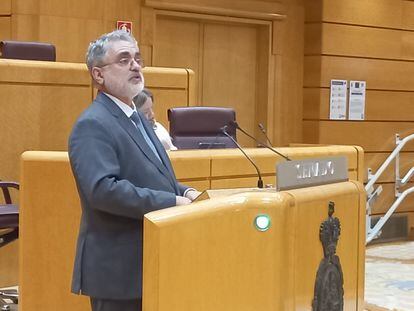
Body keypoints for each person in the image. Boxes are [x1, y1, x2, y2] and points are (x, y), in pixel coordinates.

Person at [68, 30, 201, 311]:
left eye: (137, 59)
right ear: (98, 75)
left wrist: (185, 191)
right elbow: (103, 190)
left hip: (148, 262)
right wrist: (171, 202)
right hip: (118, 270)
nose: (136, 65)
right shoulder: (93, 124)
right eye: (124, 59)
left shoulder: (136, 117)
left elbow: (151, 174)